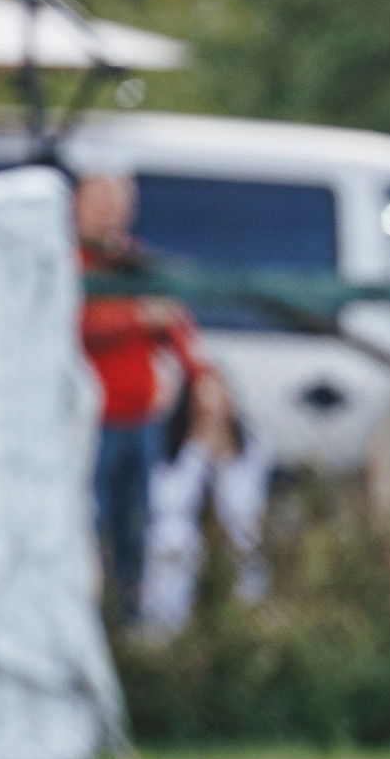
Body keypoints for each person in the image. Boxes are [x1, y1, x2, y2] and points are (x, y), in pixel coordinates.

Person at [76, 164, 207, 625]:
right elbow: (74, 329)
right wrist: (135, 319)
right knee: (90, 528)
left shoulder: (137, 263)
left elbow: (178, 328)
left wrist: (201, 377)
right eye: (102, 202)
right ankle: (91, 622)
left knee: (137, 528)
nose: (113, 214)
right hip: (92, 424)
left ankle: (130, 621)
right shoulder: (69, 266)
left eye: (120, 204)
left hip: (141, 421)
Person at [140, 368, 272, 639]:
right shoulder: (169, 446)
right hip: (179, 549)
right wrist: (197, 453)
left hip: (232, 546)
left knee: (244, 546)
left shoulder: (250, 446)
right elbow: (169, 502)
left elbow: (245, 506)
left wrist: (224, 461)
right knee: (172, 539)